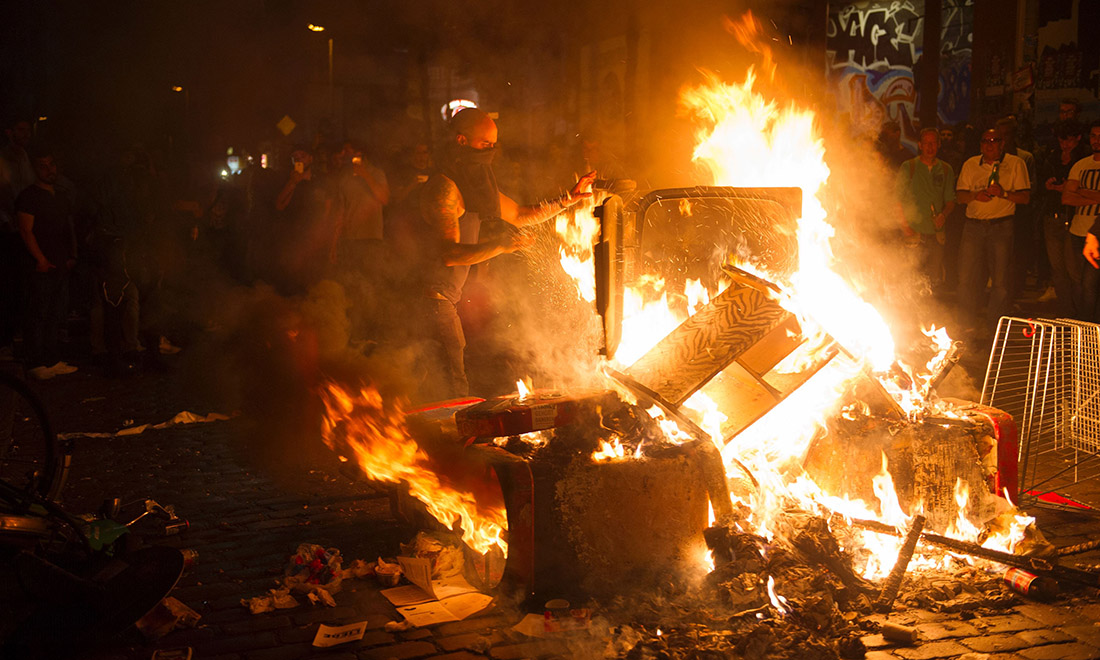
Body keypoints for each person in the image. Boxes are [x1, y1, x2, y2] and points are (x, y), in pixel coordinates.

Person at [406, 108, 595, 399]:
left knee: (443, 383)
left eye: (494, 146)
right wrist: (501, 246)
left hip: (447, 301)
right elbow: (449, 255)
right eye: (485, 145)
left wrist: (567, 199)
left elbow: (519, 214)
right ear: (461, 141)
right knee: (453, 390)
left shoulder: (470, 185)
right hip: (433, 304)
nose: (491, 152)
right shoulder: (444, 188)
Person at [955, 128, 1031, 337]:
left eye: (994, 140)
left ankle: (995, 327)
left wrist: (1004, 193)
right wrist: (975, 195)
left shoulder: (1015, 164)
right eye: (985, 141)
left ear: (1002, 143)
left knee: (1000, 281)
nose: (989, 144)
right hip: (973, 226)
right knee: (965, 277)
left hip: (1001, 226)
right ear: (980, 144)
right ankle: (966, 324)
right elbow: (960, 196)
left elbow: (1025, 197)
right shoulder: (971, 164)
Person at [15, 145, 79, 380]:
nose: (49, 170)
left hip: (60, 262)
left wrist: (72, 256)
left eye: (51, 164)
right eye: (42, 166)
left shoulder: (60, 195)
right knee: (38, 313)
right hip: (40, 266)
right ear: (34, 169)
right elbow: (25, 230)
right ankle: (36, 362)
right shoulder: (29, 196)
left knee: (55, 313)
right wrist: (40, 258)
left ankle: (51, 359)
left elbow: (67, 227)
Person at [897, 128, 956, 288]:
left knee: (933, 280)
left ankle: (931, 304)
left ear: (939, 145)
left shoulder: (946, 169)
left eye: (933, 143)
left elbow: (950, 200)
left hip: (936, 235)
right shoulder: (909, 167)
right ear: (920, 145)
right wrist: (904, 226)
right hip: (913, 234)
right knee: (911, 279)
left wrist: (943, 215)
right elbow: (897, 199)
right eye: (926, 143)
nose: (930, 147)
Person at [1039, 122, 1087, 317]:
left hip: (1073, 217)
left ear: (1078, 139)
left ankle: (1082, 312)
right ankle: (1066, 312)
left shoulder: (1083, 160)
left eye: (1069, 140)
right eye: (1061, 140)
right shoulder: (1052, 157)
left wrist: (1070, 188)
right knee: (1058, 269)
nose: (1065, 145)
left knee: (1074, 270)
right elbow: (1039, 187)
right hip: (1052, 215)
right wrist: (1048, 186)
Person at [1066, 122, 1100, 320]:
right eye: (1093, 136)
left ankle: (1089, 325)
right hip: (1079, 230)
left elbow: (1073, 192)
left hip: (1096, 233)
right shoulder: (1081, 164)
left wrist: (1081, 191)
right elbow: (1067, 197)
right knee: (1078, 281)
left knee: (1090, 284)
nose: (1097, 140)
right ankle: (1083, 324)